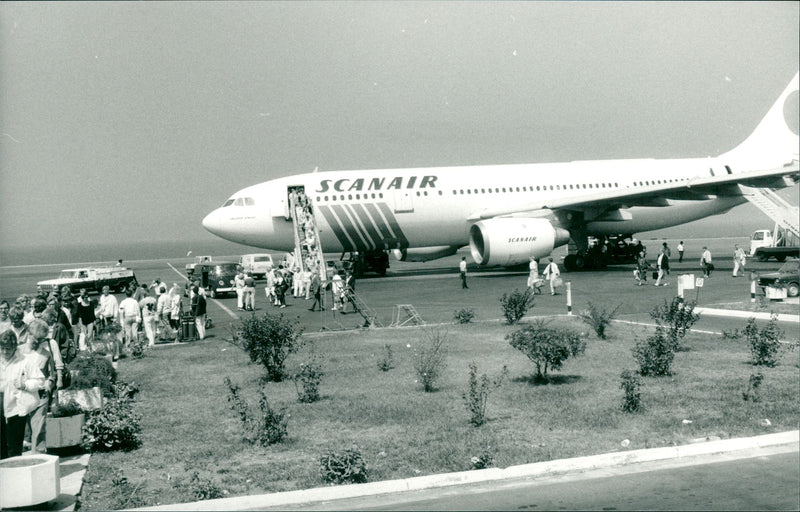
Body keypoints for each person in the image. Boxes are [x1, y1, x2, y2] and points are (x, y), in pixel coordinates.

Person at [1, 329, 45, 458]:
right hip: (0, 400)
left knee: (14, 443)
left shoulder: (25, 361)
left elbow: (40, 381)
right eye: (2, 348)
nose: (4, 352)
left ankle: (15, 472)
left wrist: (25, 385)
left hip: (16, 404)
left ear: (15, 347)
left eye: (8, 349)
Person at [20, 320, 62, 454]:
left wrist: (50, 382)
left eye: (41, 339)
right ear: (28, 333)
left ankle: (38, 457)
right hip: (20, 395)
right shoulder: (18, 351)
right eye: (35, 338)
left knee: (38, 428)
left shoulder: (46, 354)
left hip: (41, 394)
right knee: (20, 430)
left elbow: (51, 373)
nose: (37, 341)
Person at [118, 288, 141, 358]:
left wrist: (121, 320)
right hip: (134, 317)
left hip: (127, 317)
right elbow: (138, 310)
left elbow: (121, 311)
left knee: (128, 332)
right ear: (132, 294)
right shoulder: (134, 301)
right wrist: (139, 317)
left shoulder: (123, 302)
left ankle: (128, 346)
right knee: (135, 331)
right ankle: (136, 345)